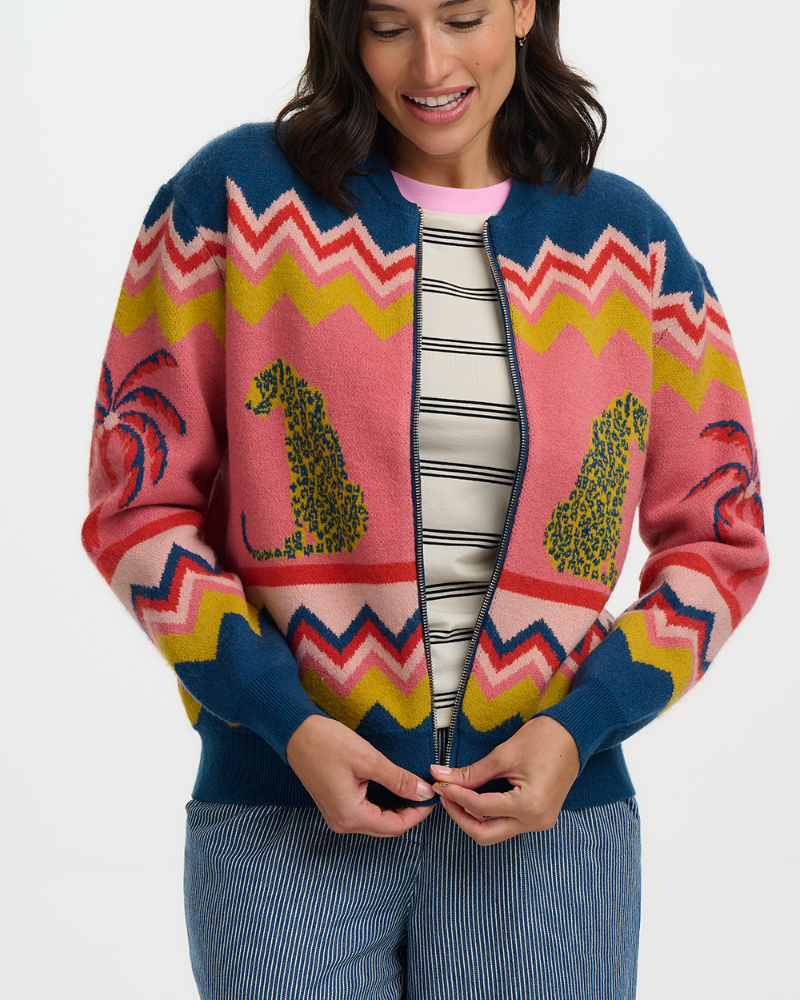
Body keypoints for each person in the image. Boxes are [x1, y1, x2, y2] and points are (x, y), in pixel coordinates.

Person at [82, 1, 768, 997]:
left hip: (547, 838)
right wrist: (284, 719)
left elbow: (719, 539)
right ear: (341, 28)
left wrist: (577, 730)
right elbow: (135, 504)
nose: (429, 61)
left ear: (524, 9)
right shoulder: (232, 205)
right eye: (387, 23)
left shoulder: (628, 249)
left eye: (460, 16)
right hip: (283, 818)